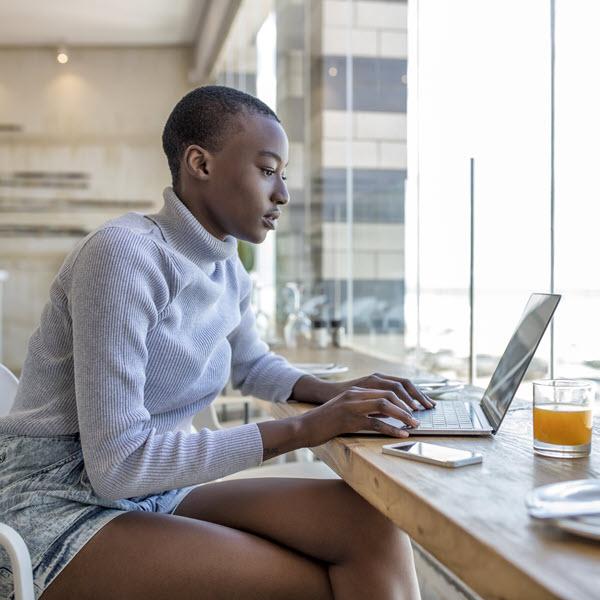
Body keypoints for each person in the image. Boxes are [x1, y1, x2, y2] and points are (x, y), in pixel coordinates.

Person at [0, 86, 435, 600]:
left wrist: (336, 394)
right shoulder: (123, 257)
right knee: (308, 584)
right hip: (59, 508)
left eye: (284, 175)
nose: (283, 195)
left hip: (152, 491)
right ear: (200, 163)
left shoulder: (225, 266)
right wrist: (307, 428)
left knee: (373, 526)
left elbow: (251, 365)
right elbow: (117, 465)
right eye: (268, 170)